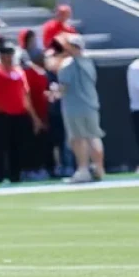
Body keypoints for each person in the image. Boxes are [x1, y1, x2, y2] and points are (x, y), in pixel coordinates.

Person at [0, 41, 41, 184]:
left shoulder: (19, 72)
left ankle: (15, 175)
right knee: (1, 147)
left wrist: (33, 116)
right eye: (5, 56)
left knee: (18, 146)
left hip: (19, 114)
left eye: (10, 56)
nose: (8, 59)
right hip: (2, 114)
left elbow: (25, 94)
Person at [57, 34, 104, 183]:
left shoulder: (67, 64)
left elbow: (63, 88)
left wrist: (54, 93)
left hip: (74, 106)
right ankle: (98, 168)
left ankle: (83, 170)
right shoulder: (89, 62)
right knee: (93, 137)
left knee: (78, 139)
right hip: (91, 105)